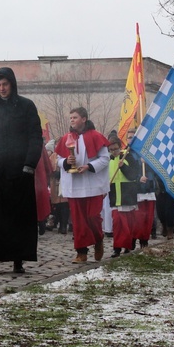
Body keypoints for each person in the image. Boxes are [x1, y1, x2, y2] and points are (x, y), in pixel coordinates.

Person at [0, 67, 43, 273]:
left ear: (12, 84)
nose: (2, 88)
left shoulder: (26, 107)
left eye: (5, 84)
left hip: (19, 170)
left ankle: (18, 258)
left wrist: (30, 164)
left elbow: (35, 137)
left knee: (17, 215)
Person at [56, 107, 110, 264]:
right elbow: (58, 159)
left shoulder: (96, 136)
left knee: (93, 216)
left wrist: (88, 166)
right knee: (78, 221)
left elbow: (105, 159)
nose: (72, 120)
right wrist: (66, 162)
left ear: (84, 119)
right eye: (71, 117)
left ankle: (98, 239)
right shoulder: (66, 137)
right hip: (74, 185)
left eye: (75, 117)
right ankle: (81, 252)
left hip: (93, 184)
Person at [106, 136, 140, 258]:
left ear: (120, 147)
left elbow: (134, 175)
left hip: (127, 195)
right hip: (115, 196)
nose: (113, 152)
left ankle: (128, 244)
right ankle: (117, 248)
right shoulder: (109, 160)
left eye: (115, 149)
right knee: (117, 224)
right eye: (110, 149)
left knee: (127, 224)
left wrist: (123, 167)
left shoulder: (128, 157)